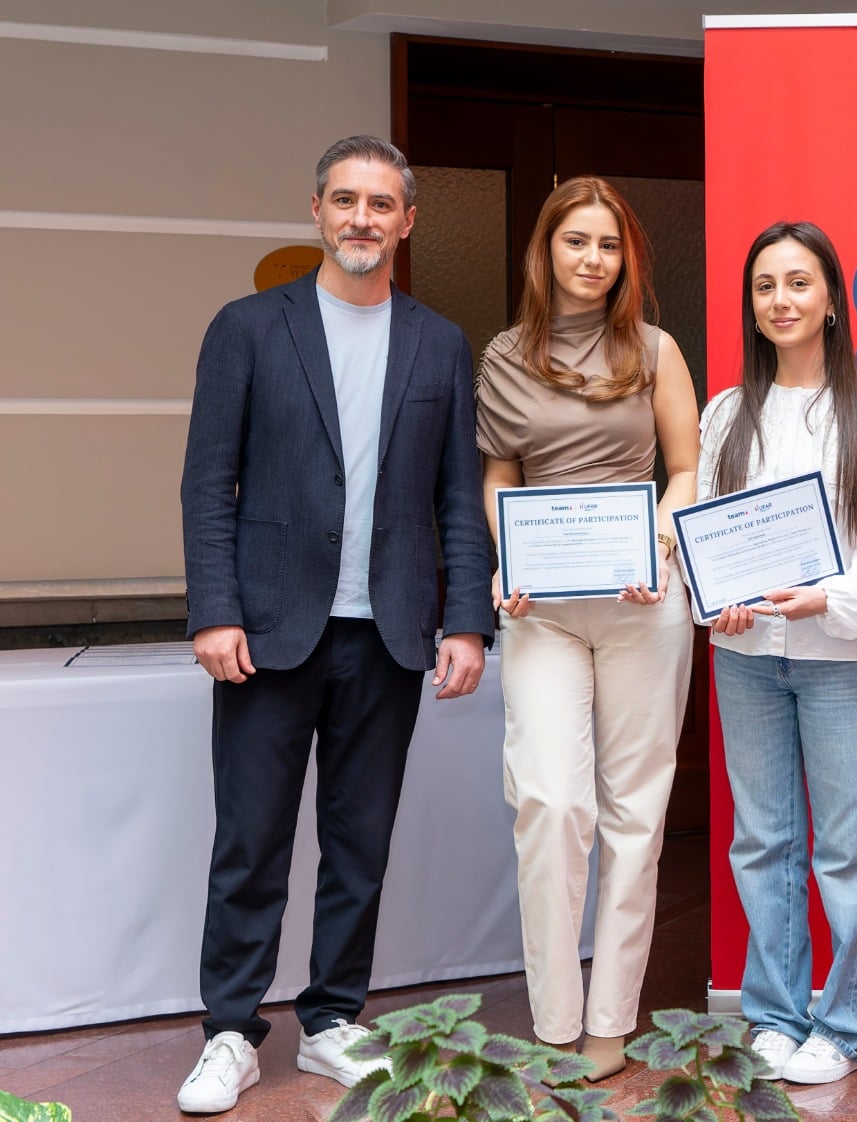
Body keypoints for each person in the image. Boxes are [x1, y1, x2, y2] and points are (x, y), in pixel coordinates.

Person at [176, 135, 495, 1113]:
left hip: (389, 632)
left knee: (360, 845)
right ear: (316, 210)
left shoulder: (440, 343)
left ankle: (329, 1023)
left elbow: (457, 495)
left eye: (382, 204)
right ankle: (230, 1031)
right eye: (346, 200)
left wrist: (467, 619)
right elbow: (208, 483)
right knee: (251, 843)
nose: (363, 218)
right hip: (271, 631)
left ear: (408, 221)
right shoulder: (247, 328)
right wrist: (215, 610)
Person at [700, 221, 857, 1085]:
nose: (781, 301)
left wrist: (828, 599)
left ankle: (842, 1026)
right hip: (745, 655)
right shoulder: (724, 414)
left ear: (832, 299)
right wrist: (716, 597)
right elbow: (709, 536)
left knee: (847, 846)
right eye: (765, 286)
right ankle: (773, 1017)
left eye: (799, 283)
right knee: (762, 839)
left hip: (840, 656)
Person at [475, 176, 699, 1080]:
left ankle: (610, 1022)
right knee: (550, 803)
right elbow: (500, 477)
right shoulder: (504, 356)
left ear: (625, 259)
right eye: (577, 241)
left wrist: (656, 540)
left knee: (635, 814)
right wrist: (508, 555)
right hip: (544, 609)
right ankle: (554, 1021)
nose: (593, 259)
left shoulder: (655, 349)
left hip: (643, 601)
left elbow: (685, 471)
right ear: (547, 250)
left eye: (609, 245)